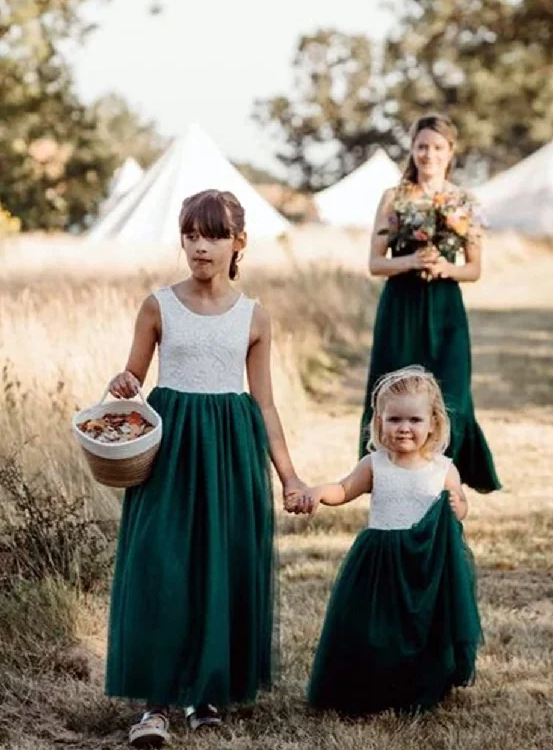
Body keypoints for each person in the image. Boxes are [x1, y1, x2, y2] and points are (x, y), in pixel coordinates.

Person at [105, 189, 311, 748]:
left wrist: (289, 475)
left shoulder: (254, 316)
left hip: (230, 452)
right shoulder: (158, 306)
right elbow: (130, 383)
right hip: (170, 451)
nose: (200, 246)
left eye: (214, 235)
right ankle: (155, 705)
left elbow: (265, 403)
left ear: (238, 243)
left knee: (220, 566)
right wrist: (120, 386)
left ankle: (206, 692)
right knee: (163, 564)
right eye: (191, 234)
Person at [298, 366, 482, 715]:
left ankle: (418, 685)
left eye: (414, 419)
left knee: (422, 624)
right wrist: (320, 492)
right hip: (380, 560)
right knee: (375, 625)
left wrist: (459, 505)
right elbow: (344, 489)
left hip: (425, 562)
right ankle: (374, 684)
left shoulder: (443, 469)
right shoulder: (375, 464)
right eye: (394, 419)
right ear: (379, 421)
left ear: (433, 423)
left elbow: (459, 505)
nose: (404, 428)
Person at [359, 112, 501, 493]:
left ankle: (444, 484)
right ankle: (386, 480)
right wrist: (409, 261)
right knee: (391, 388)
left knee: (452, 392)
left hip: (445, 307)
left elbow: (473, 269)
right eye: (422, 146)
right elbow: (375, 263)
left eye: (437, 147)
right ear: (412, 149)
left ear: (451, 151)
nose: (429, 154)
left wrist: (443, 268)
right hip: (400, 307)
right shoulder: (394, 197)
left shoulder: (463, 202)